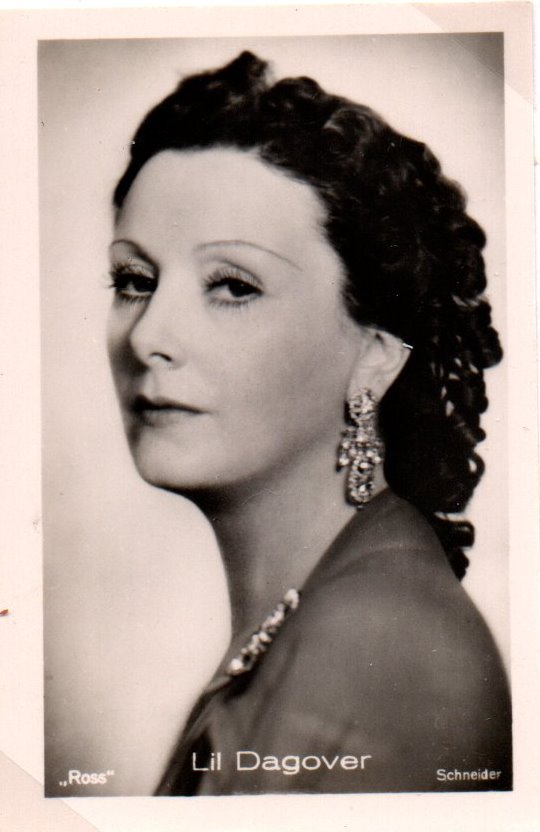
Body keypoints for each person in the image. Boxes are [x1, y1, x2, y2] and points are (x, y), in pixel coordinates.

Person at [106, 50, 511, 794]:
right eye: (134, 281)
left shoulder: (378, 646)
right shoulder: (346, 599)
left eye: (233, 287)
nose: (147, 337)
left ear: (376, 358)